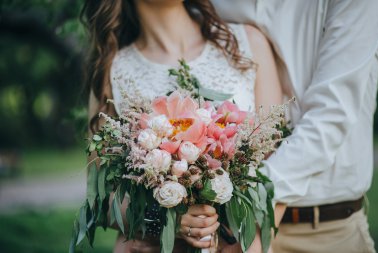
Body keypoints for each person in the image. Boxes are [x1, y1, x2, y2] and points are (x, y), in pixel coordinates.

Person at [82, 0, 284, 252]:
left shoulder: (247, 43)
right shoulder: (113, 69)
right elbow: (100, 198)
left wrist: (254, 233)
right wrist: (167, 222)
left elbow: (278, 164)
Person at [211, 0, 378, 252]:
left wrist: (250, 201)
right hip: (228, 229)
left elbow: (331, 116)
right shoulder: (213, 4)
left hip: (325, 230)